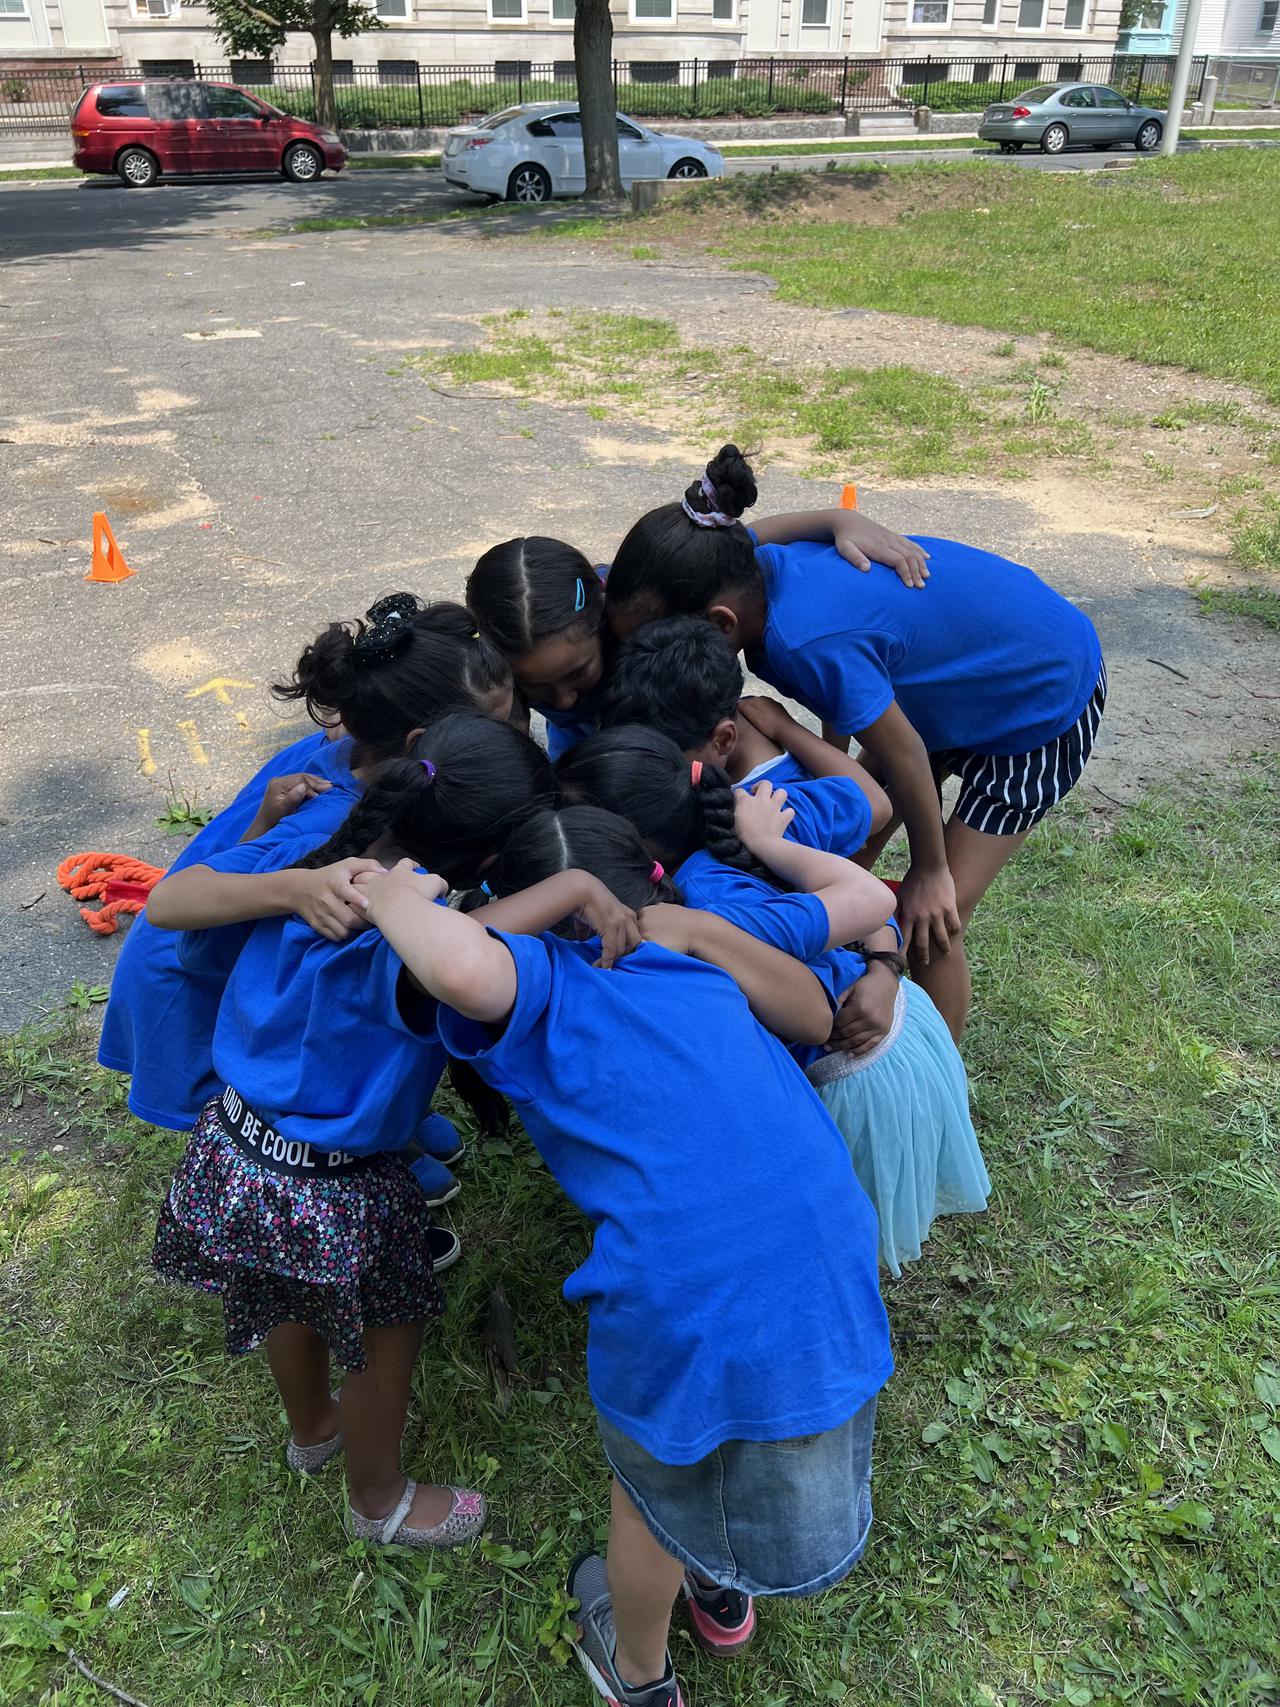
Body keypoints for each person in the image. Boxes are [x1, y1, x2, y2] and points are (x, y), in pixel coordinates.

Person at [356, 805, 893, 1707]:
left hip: (682, 1282)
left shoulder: (539, 977)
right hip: (830, 1241)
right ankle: (722, 1591)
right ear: (651, 877)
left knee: (653, 1485)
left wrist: (385, 885)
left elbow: (449, 956)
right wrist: (697, 928)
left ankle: (637, 1673)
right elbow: (813, 1007)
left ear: (506, 895)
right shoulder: (694, 955)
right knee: (744, 1431)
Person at [149, 712, 613, 1551]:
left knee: (276, 1297)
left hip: (235, 1149)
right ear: (478, 861)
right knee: (378, 1335)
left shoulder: (318, 862)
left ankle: (313, 1429)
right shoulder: (412, 954)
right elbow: (483, 944)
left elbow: (174, 901)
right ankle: (380, 1498)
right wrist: (579, 887)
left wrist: (287, 874)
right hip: (337, 1188)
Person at [604, 444, 1106, 1040]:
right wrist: (838, 517)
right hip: (957, 680)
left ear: (719, 624)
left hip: (1040, 695)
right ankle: (860, 974)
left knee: (933, 919)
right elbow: (842, 693)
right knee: (848, 859)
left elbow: (906, 754)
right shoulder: (733, 560)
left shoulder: (805, 639)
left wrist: (929, 869)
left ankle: (934, 1073)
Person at [101, 595, 512, 1198]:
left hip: (234, 952)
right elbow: (181, 910)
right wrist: (296, 885)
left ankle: (374, 1126)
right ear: (420, 741)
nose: (506, 740)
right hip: (198, 976)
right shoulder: (334, 830)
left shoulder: (350, 757)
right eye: (493, 727)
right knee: (269, 1115)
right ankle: (342, 1160)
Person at [558, 726, 988, 1274]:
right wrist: (882, 960)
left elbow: (868, 900)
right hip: (906, 1021)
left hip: (854, 1075)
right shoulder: (752, 821)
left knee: (837, 1235)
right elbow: (867, 826)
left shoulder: (706, 908)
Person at [466, 510, 928, 762]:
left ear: (604, 615)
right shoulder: (500, 683)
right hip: (586, 740)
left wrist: (832, 520)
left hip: (668, 726)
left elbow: (727, 544)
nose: (562, 699)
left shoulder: (636, 606)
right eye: (538, 688)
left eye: (576, 673)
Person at [596, 612, 891, 857]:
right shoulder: (715, 713)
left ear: (724, 739)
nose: (648, 771)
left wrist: (784, 727)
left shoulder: (773, 807)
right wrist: (784, 727)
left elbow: (876, 807)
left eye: (664, 762)